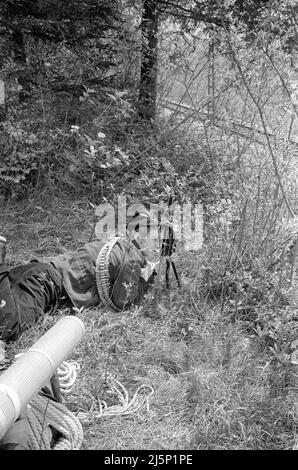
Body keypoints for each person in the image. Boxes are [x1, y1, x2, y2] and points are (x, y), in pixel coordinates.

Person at [0, 234, 157, 342]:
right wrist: (144, 281)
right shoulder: (132, 260)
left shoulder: (118, 244)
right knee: (8, 326)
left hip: (38, 273)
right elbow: (123, 302)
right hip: (45, 283)